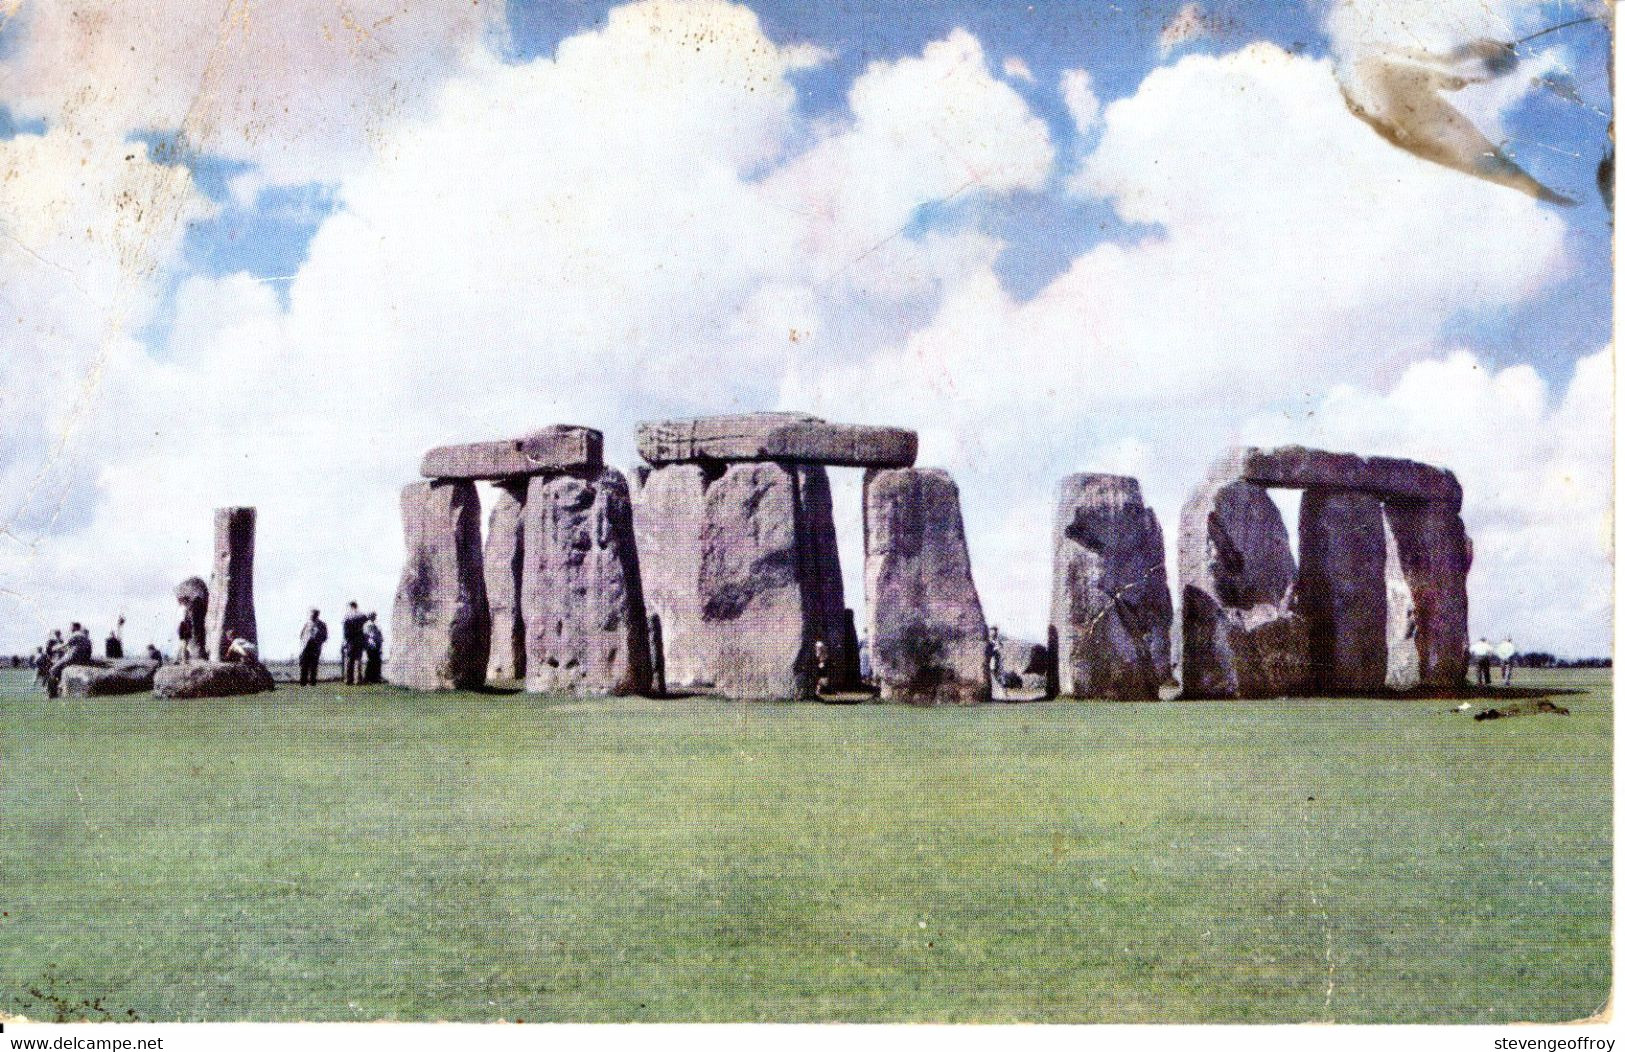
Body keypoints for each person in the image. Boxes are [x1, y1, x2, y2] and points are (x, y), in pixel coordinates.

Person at [48, 623, 93, 697]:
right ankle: (60, 686)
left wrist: (54, 648)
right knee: (61, 668)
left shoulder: (75, 635)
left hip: (74, 658)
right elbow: (72, 647)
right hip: (85, 658)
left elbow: (65, 645)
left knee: (53, 669)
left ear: (75, 627)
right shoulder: (84, 635)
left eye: (71, 627)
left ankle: (52, 693)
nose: (69, 628)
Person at [298, 609, 328, 686]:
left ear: (317, 615)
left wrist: (319, 642)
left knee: (314, 665)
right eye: (311, 614)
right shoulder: (307, 624)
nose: (312, 616)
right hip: (306, 646)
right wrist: (304, 642)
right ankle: (303, 682)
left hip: (316, 646)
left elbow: (325, 636)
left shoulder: (322, 624)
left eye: (314, 614)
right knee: (304, 664)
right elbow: (301, 635)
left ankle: (312, 682)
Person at [342, 602, 367, 686]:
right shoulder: (361, 615)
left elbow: (345, 629)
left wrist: (346, 639)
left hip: (350, 640)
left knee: (349, 660)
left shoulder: (347, 615)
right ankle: (357, 680)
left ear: (350, 606)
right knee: (358, 660)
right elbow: (366, 620)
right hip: (359, 639)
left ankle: (348, 680)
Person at [362, 613, 384, 684]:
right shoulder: (369, 625)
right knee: (372, 662)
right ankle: (369, 678)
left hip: (374, 645)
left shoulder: (373, 625)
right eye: (373, 616)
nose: (374, 617)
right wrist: (375, 645)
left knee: (374, 662)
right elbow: (371, 636)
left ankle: (373, 678)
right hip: (372, 646)